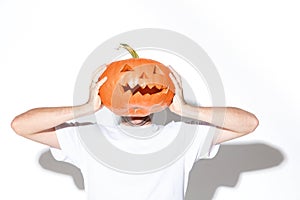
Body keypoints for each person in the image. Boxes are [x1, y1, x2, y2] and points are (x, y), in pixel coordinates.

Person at [11, 65, 259, 200]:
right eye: (126, 88)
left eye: (148, 83)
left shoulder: (182, 137)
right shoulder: (89, 138)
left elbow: (248, 123)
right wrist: (85, 108)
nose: (137, 94)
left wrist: (188, 110)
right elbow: (21, 125)